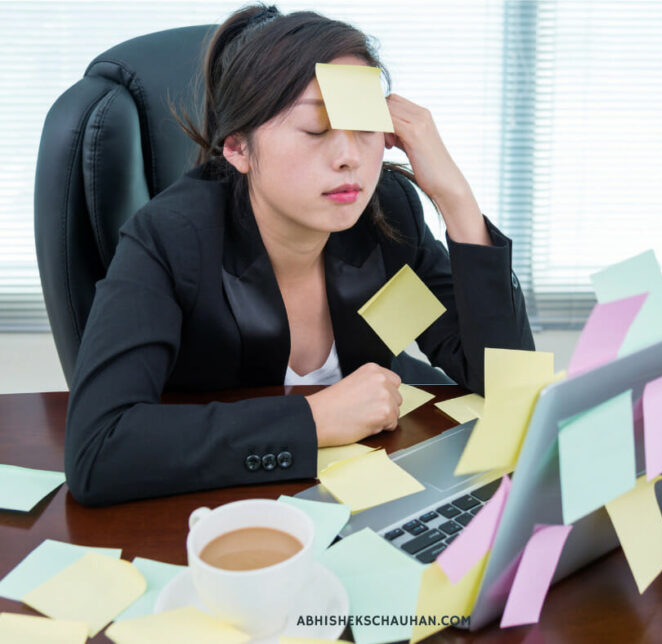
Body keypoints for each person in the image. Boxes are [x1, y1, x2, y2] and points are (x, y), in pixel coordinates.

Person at [64, 3, 535, 506]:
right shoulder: (170, 238)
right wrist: (312, 421)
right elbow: (99, 450)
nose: (349, 157)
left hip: (361, 499)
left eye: (365, 128)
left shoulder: (385, 216)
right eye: (315, 132)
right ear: (238, 148)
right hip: (223, 520)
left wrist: (456, 199)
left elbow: (505, 382)